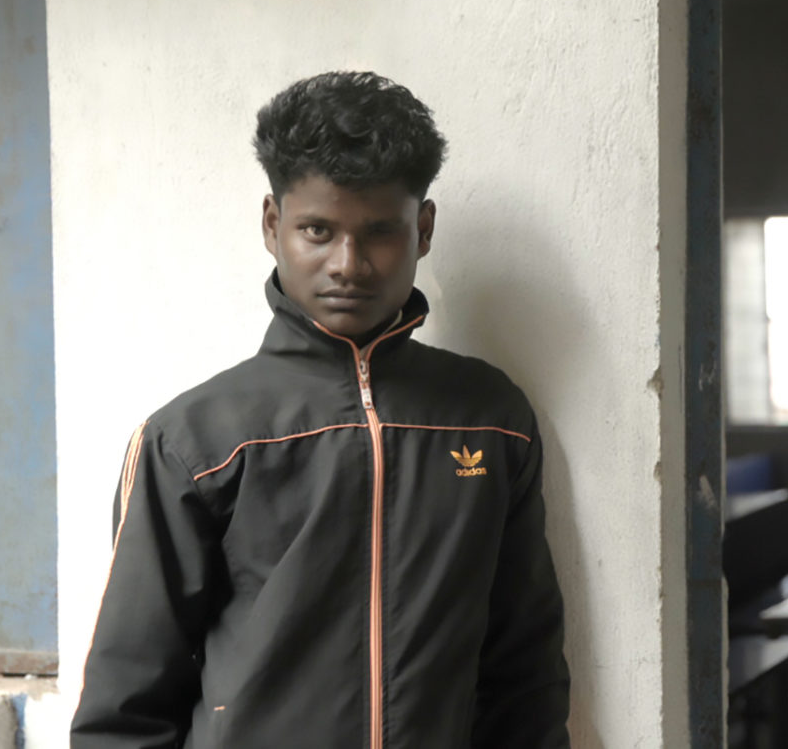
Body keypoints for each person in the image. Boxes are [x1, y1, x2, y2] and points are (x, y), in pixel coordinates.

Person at [71, 71, 570, 748]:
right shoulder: (194, 439)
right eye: (317, 229)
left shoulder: (489, 418)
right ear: (273, 224)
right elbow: (124, 706)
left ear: (423, 229)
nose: (349, 263)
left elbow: (524, 672)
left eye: (380, 232)